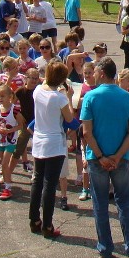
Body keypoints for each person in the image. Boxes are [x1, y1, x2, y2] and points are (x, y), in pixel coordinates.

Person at [80, 57, 129, 258]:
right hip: (121, 158)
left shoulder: (90, 97)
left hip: (97, 158)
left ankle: (105, 247)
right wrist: (117, 156)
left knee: (100, 203)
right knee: (124, 202)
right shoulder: (127, 97)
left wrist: (100, 156)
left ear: (101, 73)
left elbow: (86, 133)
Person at [29, 61, 77, 238]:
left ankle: (34, 219)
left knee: (37, 180)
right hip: (54, 142)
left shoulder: (37, 91)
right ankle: (47, 225)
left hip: (39, 140)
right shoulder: (59, 98)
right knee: (50, 184)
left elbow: (45, 84)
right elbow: (70, 119)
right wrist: (69, 97)